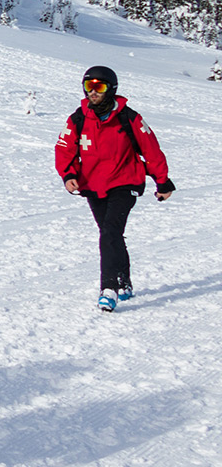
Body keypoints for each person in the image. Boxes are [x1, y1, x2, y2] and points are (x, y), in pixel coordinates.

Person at [54, 66, 174, 311]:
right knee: (110, 233)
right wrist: (68, 174)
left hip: (125, 181)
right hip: (93, 184)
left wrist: (162, 181)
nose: (93, 92)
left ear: (111, 89)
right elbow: (64, 149)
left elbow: (151, 150)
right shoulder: (78, 118)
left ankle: (108, 289)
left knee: (109, 231)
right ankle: (123, 280)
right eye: (89, 87)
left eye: (99, 87)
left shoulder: (129, 118)